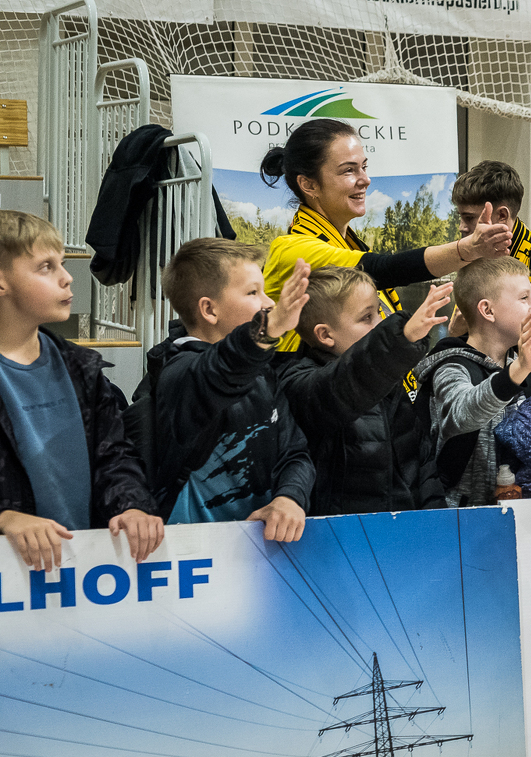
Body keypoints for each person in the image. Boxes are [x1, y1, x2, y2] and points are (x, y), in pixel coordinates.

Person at [259, 118, 512, 355]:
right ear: (309, 185)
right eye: (348, 171)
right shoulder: (291, 250)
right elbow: (384, 268)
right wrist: (469, 248)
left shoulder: (348, 243)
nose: (365, 180)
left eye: (364, 167)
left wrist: (452, 337)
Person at [0, 211, 163, 571]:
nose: (67, 277)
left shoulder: (82, 368)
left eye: (62, 263)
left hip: (83, 572)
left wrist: (132, 505)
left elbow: (114, 455)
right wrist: (6, 517)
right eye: (46, 267)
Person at [151, 239, 315, 541]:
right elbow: (218, 372)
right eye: (253, 292)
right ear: (209, 309)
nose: (268, 303)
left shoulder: (265, 373)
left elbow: (295, 452)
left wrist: (289, 498)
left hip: (263, 549)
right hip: (193, 554)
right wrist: (266, 330)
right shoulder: (178, 373)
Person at [279, 268, 454, 516]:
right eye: (367, 317)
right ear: (325, 334)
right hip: (342, 534)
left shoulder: (390, 381)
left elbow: (422, 466)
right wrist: (400, 339)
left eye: (379, 312)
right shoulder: (301, 385)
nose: (380, 324)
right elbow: (342, 385)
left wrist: (435, 520)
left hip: (404, 529)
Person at [414, 256, 531, 506]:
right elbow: (462, 414)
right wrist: (517, 371)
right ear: (487, 310)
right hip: (460, 520)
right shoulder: (451, 368)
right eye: (524, 298)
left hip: (526, 518)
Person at [450, 162, 531, 374]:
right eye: (460, 217)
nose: (462, 227)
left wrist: (505, 327)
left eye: (469, 218)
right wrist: (454, 335)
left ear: (501, 215)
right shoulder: (475, 265)